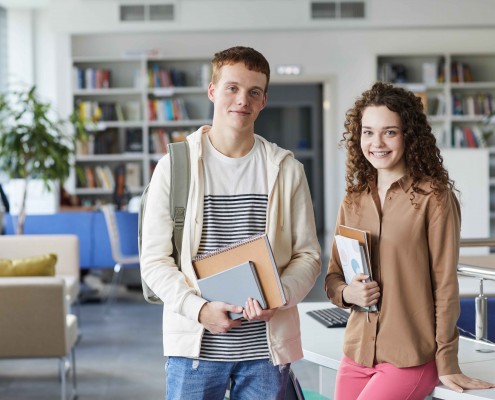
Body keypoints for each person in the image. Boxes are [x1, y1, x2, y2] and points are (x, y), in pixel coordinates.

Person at [140, 46, 321, 400]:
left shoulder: (287, 171)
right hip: (195, 347)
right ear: (212, 91)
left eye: (254, 92)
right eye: (232, 88)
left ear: (264, 100)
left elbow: (308, 256)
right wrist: (200, 310)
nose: (243, 100)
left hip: (265, 351)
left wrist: (280, 295)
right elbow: (154, 260)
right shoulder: (175, 166)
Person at [325, 81, 495, 400]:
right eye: (368, 131)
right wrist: (349, 292)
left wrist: (447, 362)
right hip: (357, 352)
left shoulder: (435, 198)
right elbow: (333, 276)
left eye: (390, 131)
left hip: (410, 357)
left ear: (409, 135)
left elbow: (445, 286)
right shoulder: (354, 200)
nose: (377, 142)